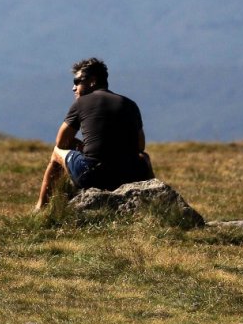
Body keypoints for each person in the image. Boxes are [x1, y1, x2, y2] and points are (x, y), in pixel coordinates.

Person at [35, 57, 154, 210]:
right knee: (144, 157)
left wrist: (81, 146)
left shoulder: (81, 103)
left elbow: (61, 142)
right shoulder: (130, 104)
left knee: (57, 152)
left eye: (77, 81)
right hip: (129, 175)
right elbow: (140, 146)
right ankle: (152, 200)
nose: (73, 87)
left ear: (92, 81)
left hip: (92, 175)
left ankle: (41, 207)